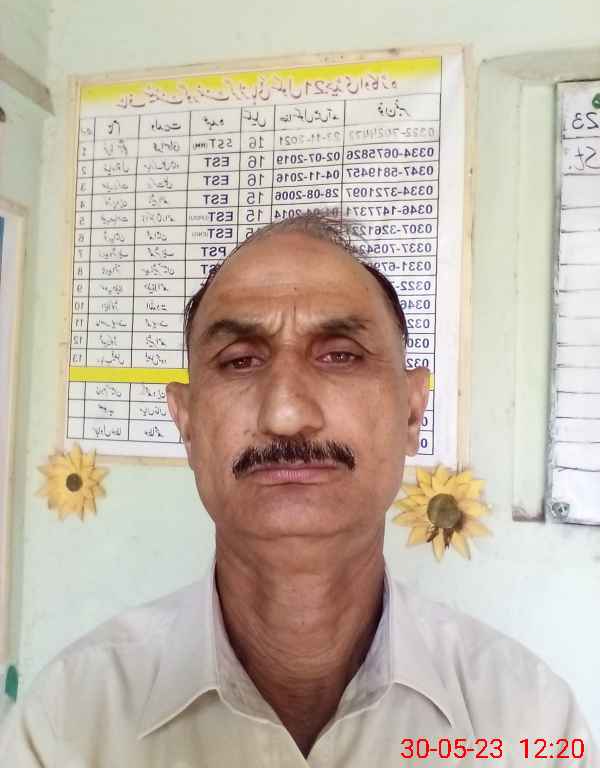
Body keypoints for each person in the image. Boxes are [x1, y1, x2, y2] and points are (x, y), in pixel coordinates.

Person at [1, 213, 598, 767]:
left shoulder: (531, 723)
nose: (285, 414)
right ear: (186, 422)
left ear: (412, 413)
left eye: (340, 355)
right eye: (239, 361)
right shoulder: (67, 725)